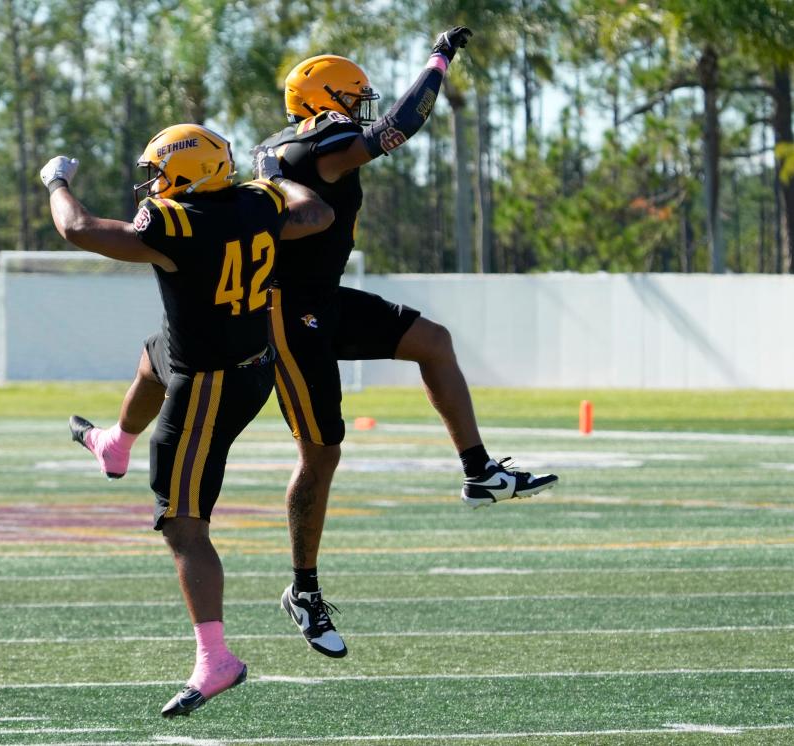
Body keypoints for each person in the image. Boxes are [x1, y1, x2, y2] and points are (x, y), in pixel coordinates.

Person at [70, 27, 558, 662]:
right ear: (325, 99)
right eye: (352, 100)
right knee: (320, 453)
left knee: (432, 343)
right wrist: (437, 62)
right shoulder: (314, 147)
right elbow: (398, 128)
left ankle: (479, 471)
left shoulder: (281, 148)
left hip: (322, 300)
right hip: (285, 315)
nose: (358, 111)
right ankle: (304, 590)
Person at [41, 122, 333, 717]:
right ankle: (115, 443)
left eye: (159, 170)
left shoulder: (176, 222)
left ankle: (216, 658)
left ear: (187, 171)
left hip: (210, 384)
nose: (151, 182)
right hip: (250, 357)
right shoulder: (259, 201)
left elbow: (79, 228)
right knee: (157, 353)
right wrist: (277, 179)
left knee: (182, 523)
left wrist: (57, 182)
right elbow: (317, 212)